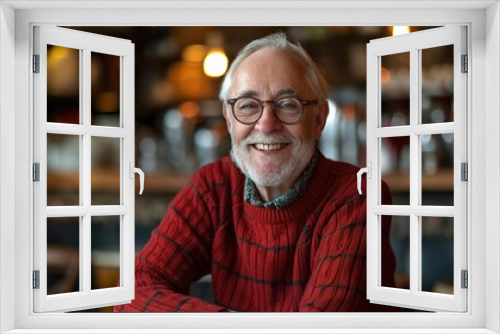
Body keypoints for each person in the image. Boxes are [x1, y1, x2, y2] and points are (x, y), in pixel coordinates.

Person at [114, 31, 396, 313]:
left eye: (288, 105)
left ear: (319, 119)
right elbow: (131, 290)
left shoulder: (358, 196)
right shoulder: (215, 186)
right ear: (228, 119)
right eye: (248, 105)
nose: (266, 124)